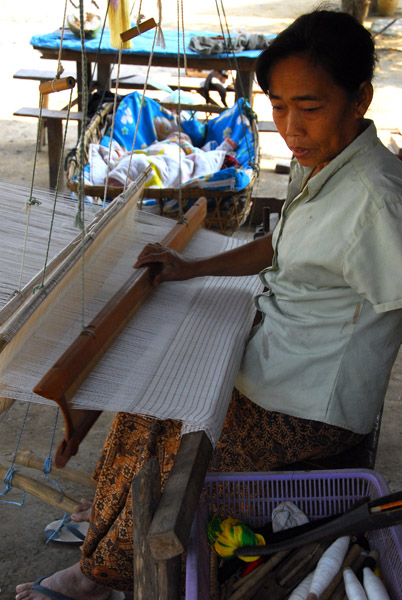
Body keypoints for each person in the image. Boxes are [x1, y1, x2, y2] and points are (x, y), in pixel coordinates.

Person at [16, 9, 402, 600]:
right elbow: (285, 245)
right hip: (271, 364)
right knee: (144, 409)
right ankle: (105, 541)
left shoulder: (375, 199)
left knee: (178, 458)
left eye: (310, 106)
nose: (290, 126)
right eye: (278, 105)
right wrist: (190, 268)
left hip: (307, 404)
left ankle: (96, 577)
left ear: (360, 98)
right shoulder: (324, 164)